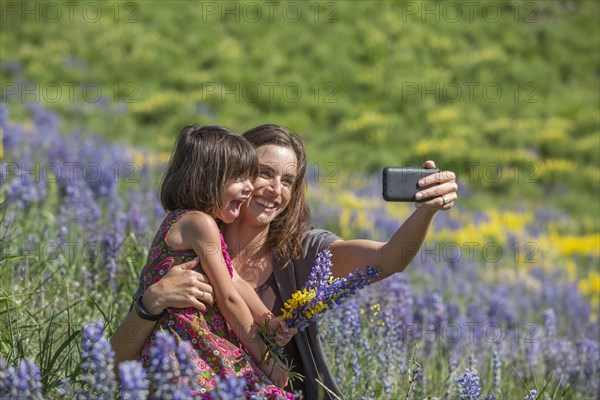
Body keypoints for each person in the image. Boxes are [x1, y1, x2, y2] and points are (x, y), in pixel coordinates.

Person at [111, 124, 458, 399]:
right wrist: (151, 302)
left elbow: (389, 259)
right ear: (234, 172)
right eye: (264, 173)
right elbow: (114, 365)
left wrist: (426, 211)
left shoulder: (304, 252)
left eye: (288, 180)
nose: (275, 189)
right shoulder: (188, 248)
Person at [125, 124, 295, 398]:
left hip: (189, 344)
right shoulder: (199, 223)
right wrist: (267, 361)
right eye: (240, 177)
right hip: (185, 350)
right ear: (207, 179)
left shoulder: (195, 222)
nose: (249, 187)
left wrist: (266, 319)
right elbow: (228, 298)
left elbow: (235, 281)